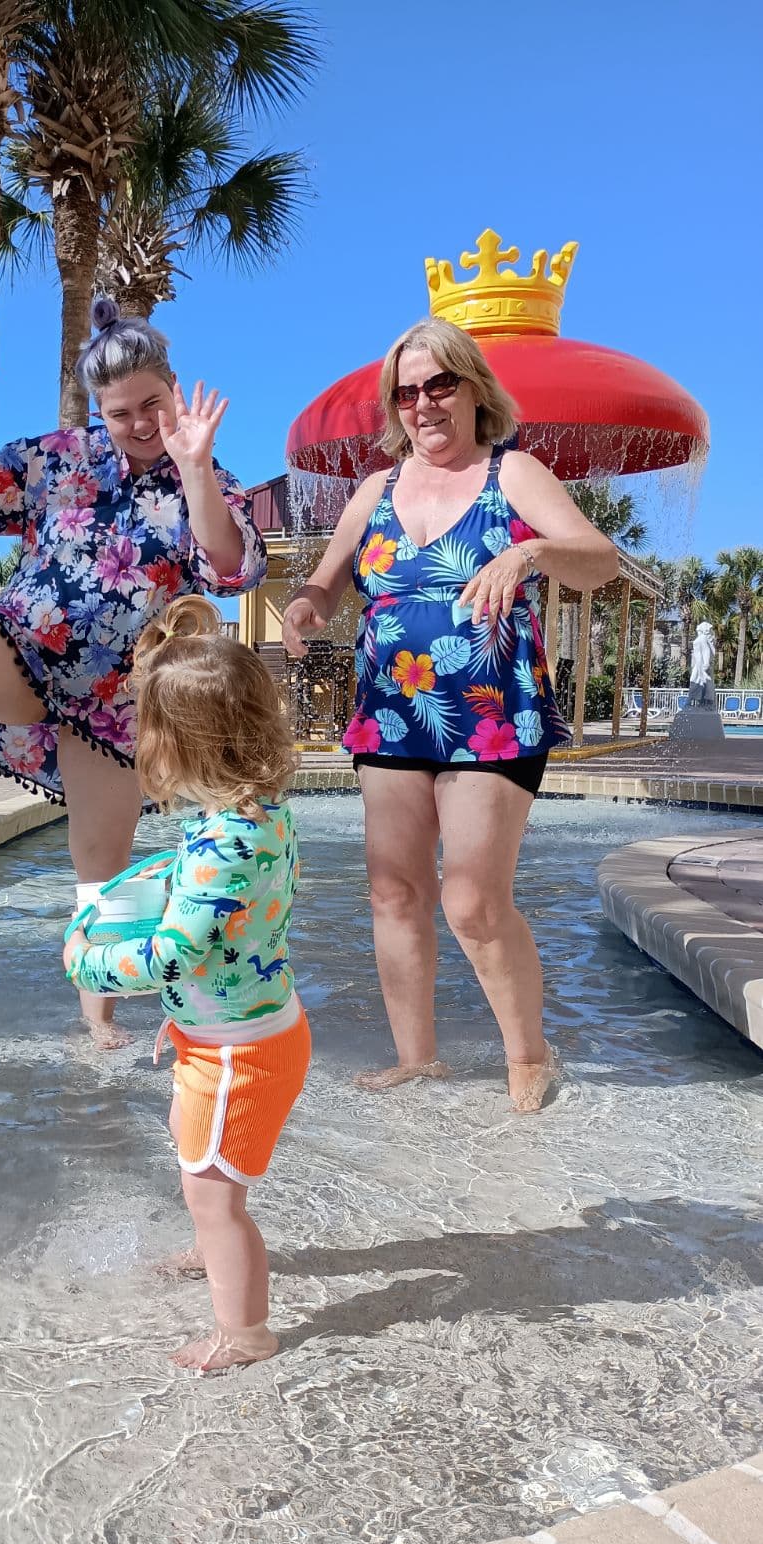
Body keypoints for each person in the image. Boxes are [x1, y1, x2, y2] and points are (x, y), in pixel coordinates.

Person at [0, 303, 266, 1047]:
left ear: (173, 388)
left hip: (114, 702)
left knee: (99, 869)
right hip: (23, 648)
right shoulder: (60, 456)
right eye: (118, 411)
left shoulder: (206, 476)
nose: (137, 423)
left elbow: (231, 567)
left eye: (151, 405)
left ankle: (97, 1018)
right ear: (97, 410)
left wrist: (194, 469)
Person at [282, 317, 619, 1113]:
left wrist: (529, 552)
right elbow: (327, 584)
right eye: (407, 392)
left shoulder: (515, 473)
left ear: (474, 389)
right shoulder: (376, 490)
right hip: (393, 707)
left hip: (492, 709)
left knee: (471, 898)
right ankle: (417, 1058)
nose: (423, 404)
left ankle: (529, 1054)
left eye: (440, 385)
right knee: (394, 892)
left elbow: (599, 558)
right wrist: (302, 610)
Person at [64, 596, 310, 1372]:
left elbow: (173, 955)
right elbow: (207, 892)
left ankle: (246, 1332)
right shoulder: (252, 812)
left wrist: (87, 963)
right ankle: (214, 1250)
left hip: (239, 1052)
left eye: (146, 732)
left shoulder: (223, 840)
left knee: (213, 1193)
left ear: (179, 744)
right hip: (246, 1026)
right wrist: (152, 873)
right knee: (198, 1160)